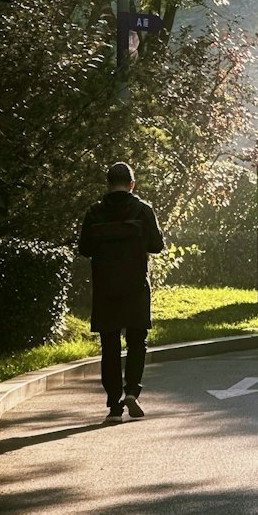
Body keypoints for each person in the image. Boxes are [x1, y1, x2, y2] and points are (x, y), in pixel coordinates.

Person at [78, 161, 164, 424]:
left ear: (108, 183)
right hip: (136, 286)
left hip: (106, 288)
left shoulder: (94, 213)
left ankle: (114, 404)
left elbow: (84, 248)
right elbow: (157, 246)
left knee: (110, 346)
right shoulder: (142, 210)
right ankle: (132, 391)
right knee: (137, 341)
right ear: (132, 184)